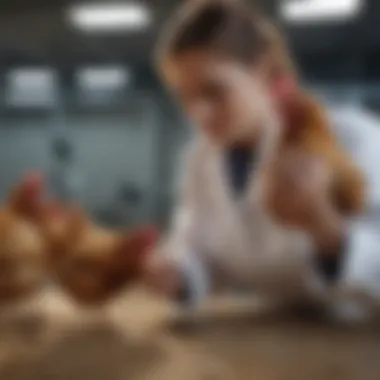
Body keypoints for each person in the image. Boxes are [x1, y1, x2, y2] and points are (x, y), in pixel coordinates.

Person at [142, 0, 380, 322]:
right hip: (277, 344)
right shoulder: (200, 159)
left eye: (215, 92)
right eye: (186, 98)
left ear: (264, 71)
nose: (199, 114)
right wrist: (178, 275)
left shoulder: (355, 138)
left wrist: (327, 230)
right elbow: (198, 249)